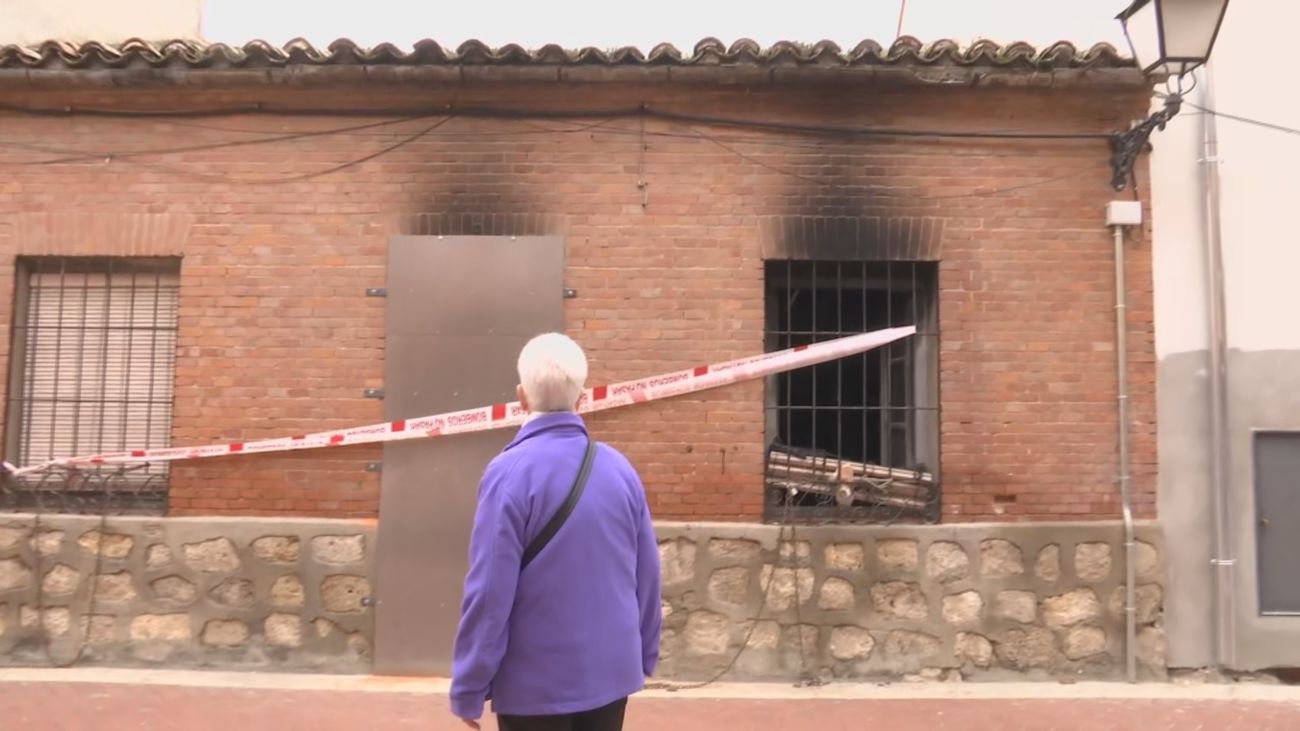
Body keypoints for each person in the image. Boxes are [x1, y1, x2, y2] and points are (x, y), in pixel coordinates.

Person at [450, 333, 662, 731]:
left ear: (521, 397)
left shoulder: (507, 474)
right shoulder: (620, 470)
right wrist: (645, 652)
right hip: (610, 673)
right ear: (582, 397)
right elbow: (647, 574)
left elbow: (490, 592)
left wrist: (469, 686)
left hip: (534, 683)